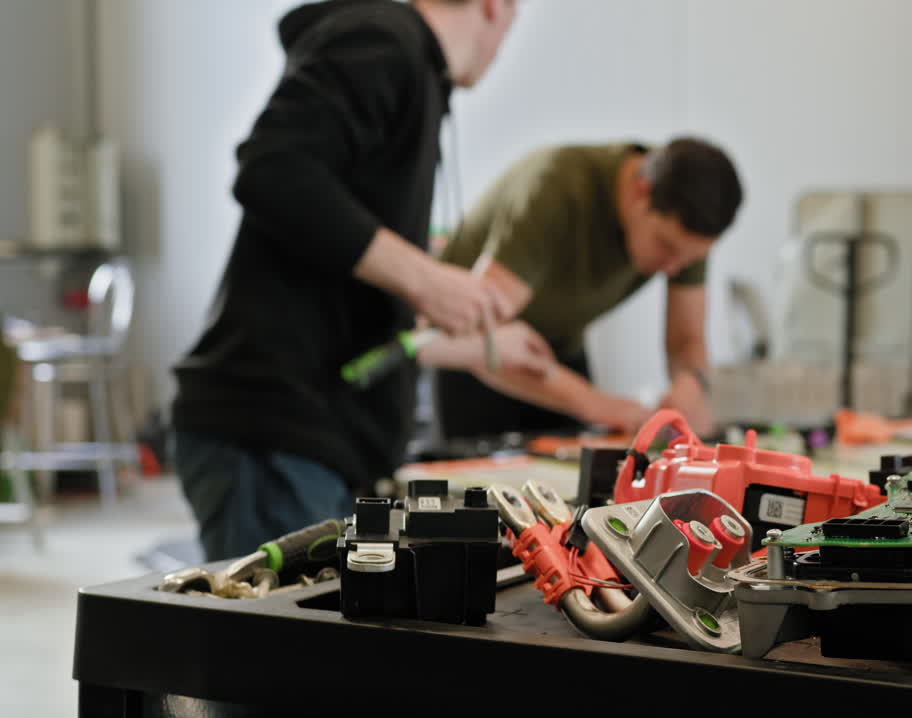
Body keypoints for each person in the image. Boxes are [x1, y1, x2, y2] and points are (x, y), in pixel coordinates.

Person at [171, 0, 532, 561]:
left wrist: (429, 284)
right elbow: (273, 171)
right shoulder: (384, 42)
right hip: (276, 433)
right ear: (493, 6)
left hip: (313, 436)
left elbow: (339, 240)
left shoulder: (407, 62)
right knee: (273, 648)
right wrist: (426, 280)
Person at [434, 138, 743, 440]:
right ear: (641, 191)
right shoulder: (556, 187)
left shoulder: (688, 225)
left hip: (560, 353)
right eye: (665, 246)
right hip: (475, 355)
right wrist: (597, 404)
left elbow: (686, 338)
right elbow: (482, 331)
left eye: (690, 259)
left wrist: (691, 383)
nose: (674, 268)